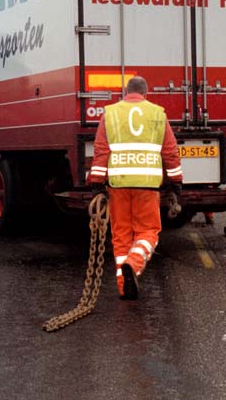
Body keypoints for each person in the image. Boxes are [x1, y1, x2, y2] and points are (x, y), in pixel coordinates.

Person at [88, 76, 183, 300]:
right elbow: (170, 151)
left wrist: (96, 183)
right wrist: (176, 181)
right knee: (148, 232)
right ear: (145, 94)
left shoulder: (110, 113)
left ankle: (123, 286)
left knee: (120, 235)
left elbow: (101, 150)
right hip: (147, 184)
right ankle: (135, 262)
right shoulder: (157, 113)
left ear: (125, 92)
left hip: (118, 184)